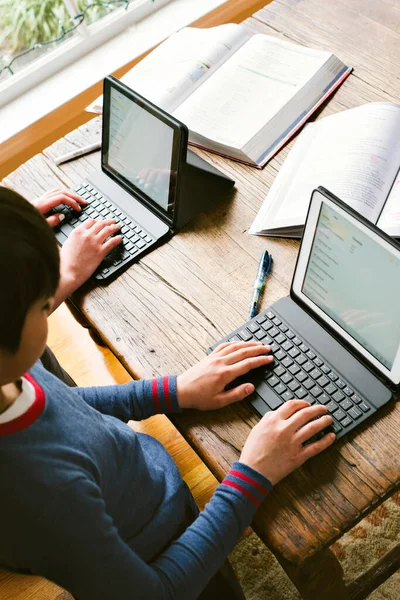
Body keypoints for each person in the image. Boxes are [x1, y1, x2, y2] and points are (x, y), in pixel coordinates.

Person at [0, 186, 336, 600]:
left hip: (142, 502)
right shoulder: (47, 496)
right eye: (42, 305)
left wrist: (173, 391)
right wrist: (253, 474)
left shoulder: (9, 378)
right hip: (158, 556)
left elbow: (65, 408)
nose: (51, 305)